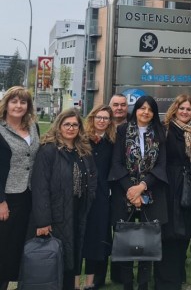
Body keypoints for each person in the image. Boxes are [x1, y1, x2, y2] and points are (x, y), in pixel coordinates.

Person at [32, 108, 97, 290]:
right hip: (55, 215)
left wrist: (89, 198)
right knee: (55, 261)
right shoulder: (48, 150)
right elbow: (40, 187)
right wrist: (43, 220)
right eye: (66, 124)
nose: (71, 128)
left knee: (73, 259)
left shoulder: (83, 150)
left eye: (75, 124)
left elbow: (93, 176)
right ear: (59, 126)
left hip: (78, 211)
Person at [108, 96, 168, 290]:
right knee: (126, 242)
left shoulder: (159, 132)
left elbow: (161, 165)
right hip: (125, 194)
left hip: (151, 193)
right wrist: (131, 191)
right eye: (142, 108)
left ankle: (143, 283)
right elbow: (116, 163)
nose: (146, 112)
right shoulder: (123, 130)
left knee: (147, 242)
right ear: (136, 111)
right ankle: (127, 283)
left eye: (150, 109)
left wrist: (142, 187)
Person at [156, 94, 191, 290]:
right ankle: (164, 282)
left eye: (188, 109)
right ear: (175, 109)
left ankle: (177, 277)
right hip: (168, 188)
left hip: (188, 189)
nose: (185, 112)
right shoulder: (165, 131)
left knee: (183, 234)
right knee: (167, 235)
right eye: (181, 108)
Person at [0, 86, 40, 290]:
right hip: (7, 198)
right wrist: (1, 201)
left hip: (29, 195)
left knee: (18, 246)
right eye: (14, 101)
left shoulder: (33, 127)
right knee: (3, 247)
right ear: (6, 104)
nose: (18, 105)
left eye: (23, 102)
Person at [76, 105, 116, 290]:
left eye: (106, 118)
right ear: (92, 119)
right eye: (98, 117)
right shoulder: (81, 140)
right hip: (79, 197)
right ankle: (75, 282)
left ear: (109, 122)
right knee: (77, 238)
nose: (101, 121)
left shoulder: (112, 143)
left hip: (101, 198)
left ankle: (91, 283)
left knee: (96, 240)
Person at [96, 94, 130, 287]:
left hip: (123, 188)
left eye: (123, 105)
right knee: (101, 233)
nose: (119, 108)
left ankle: (119, 274)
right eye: (115, 105)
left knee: (121, 232)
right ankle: (99, 277)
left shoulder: (132, 126)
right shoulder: (101, 128)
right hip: (102, 189)